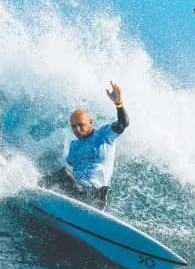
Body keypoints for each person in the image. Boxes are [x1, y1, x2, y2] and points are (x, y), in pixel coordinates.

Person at [40, 81, 129, 210]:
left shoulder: (104, 136)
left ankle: (96, 200)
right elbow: (71, 163)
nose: (77, 129)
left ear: (90, 122)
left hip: (96, 194)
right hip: (77, 192)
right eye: (74, 126)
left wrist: (118, 103)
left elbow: (123, 123)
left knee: (64, 175)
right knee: (63, 175)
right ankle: (35, 190)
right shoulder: (74, 146)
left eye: (81, 124)